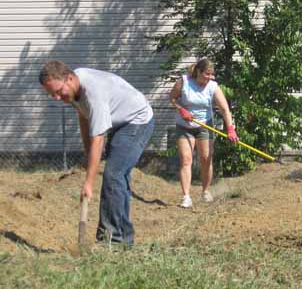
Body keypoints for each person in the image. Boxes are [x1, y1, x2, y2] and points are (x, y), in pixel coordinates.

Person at [39, 61, 155, 246]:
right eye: (52, 94)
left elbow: (98, 139)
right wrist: (87, 155)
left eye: (58, 91)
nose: (57, 97)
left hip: (137, 120)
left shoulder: (93, 93)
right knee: (118, 178)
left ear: (69, 78)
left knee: (114, 175)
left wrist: (88, 183)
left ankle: (112, 242)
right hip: (120, 123)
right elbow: (85, 118)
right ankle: (123, 239)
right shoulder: (74, 89)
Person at [169, 58, 238, 208]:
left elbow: (225, 109)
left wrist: (230, 129)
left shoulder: (213, 86)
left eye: (212, 74)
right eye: (207, 74)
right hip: (184, 126)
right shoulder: (184, 81)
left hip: (205, 126)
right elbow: (172, 98)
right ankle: (186, 196)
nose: (210, 77)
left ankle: (205, 191)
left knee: (206, 159)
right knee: (186, 159)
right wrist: (181, 109)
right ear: (199, 72)